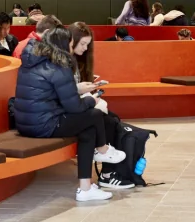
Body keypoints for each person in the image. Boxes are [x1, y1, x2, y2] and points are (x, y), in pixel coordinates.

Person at [13, 28, 126, 202]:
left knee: (88, 130)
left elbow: (47, 93)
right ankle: (103, 150)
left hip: (25, 123)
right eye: (71, 44)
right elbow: (75, 107)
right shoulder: (59, 66)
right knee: (95, 114)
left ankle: (85, 188)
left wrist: (76, 91)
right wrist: (92, 100)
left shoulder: (31, 61)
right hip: (45, 125)